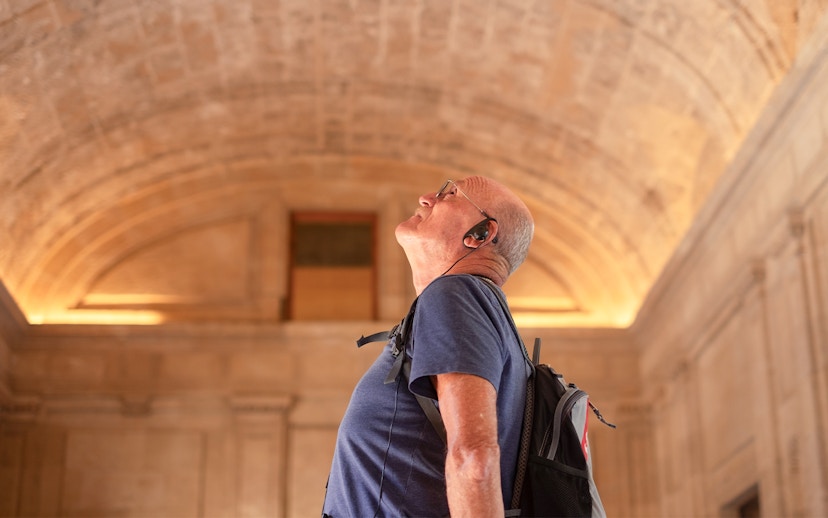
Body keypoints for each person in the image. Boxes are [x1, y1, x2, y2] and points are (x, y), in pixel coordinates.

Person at [322, 176, 535, 517]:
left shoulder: (456, 295)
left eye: (449, 194)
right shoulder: (476, 308)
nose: (425, 198)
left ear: (480, 234)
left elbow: (475, 457)